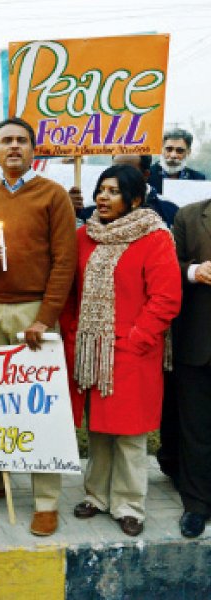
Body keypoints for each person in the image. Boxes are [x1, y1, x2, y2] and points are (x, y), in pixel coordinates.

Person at [0, 117, 77, 536]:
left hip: (33, 313)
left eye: (22, 141)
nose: (14, 147)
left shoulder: (53, 195)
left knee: (39, 406)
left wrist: (45, 319)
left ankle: (46, 501)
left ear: (33, 150)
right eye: (6, 140)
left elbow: (65, 263)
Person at [60, 165, 181, 537]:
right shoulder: (85, 236)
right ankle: (96, 496)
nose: (102, 197)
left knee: (130, 433)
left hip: (133, 351)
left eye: (113, 191)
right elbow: (69, 290)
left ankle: (129, 504)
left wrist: (136, 338)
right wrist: (73, 332)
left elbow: (166, 297)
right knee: (98, 428)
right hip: (90, 349)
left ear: (135, 199)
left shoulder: (155, 237)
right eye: (100, 190)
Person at [169, 195, 211, 537]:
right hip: (198, 342)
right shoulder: (190, 215)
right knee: (195, 429)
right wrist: (194, 271)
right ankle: (196, 505)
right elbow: (170, 265)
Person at [74, 154, 179, 227]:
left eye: (128, 170)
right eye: (115, 168)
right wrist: (72, 211)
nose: (119, 174)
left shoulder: (168, 209)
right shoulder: (91, 209)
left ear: (145, 175)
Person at [148, 128, 206, 195]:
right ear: (162, 149)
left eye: (180, 151)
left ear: (188, 152)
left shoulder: (198, 179)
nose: (173, 155)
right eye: (169, 149)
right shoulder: (146, 176)